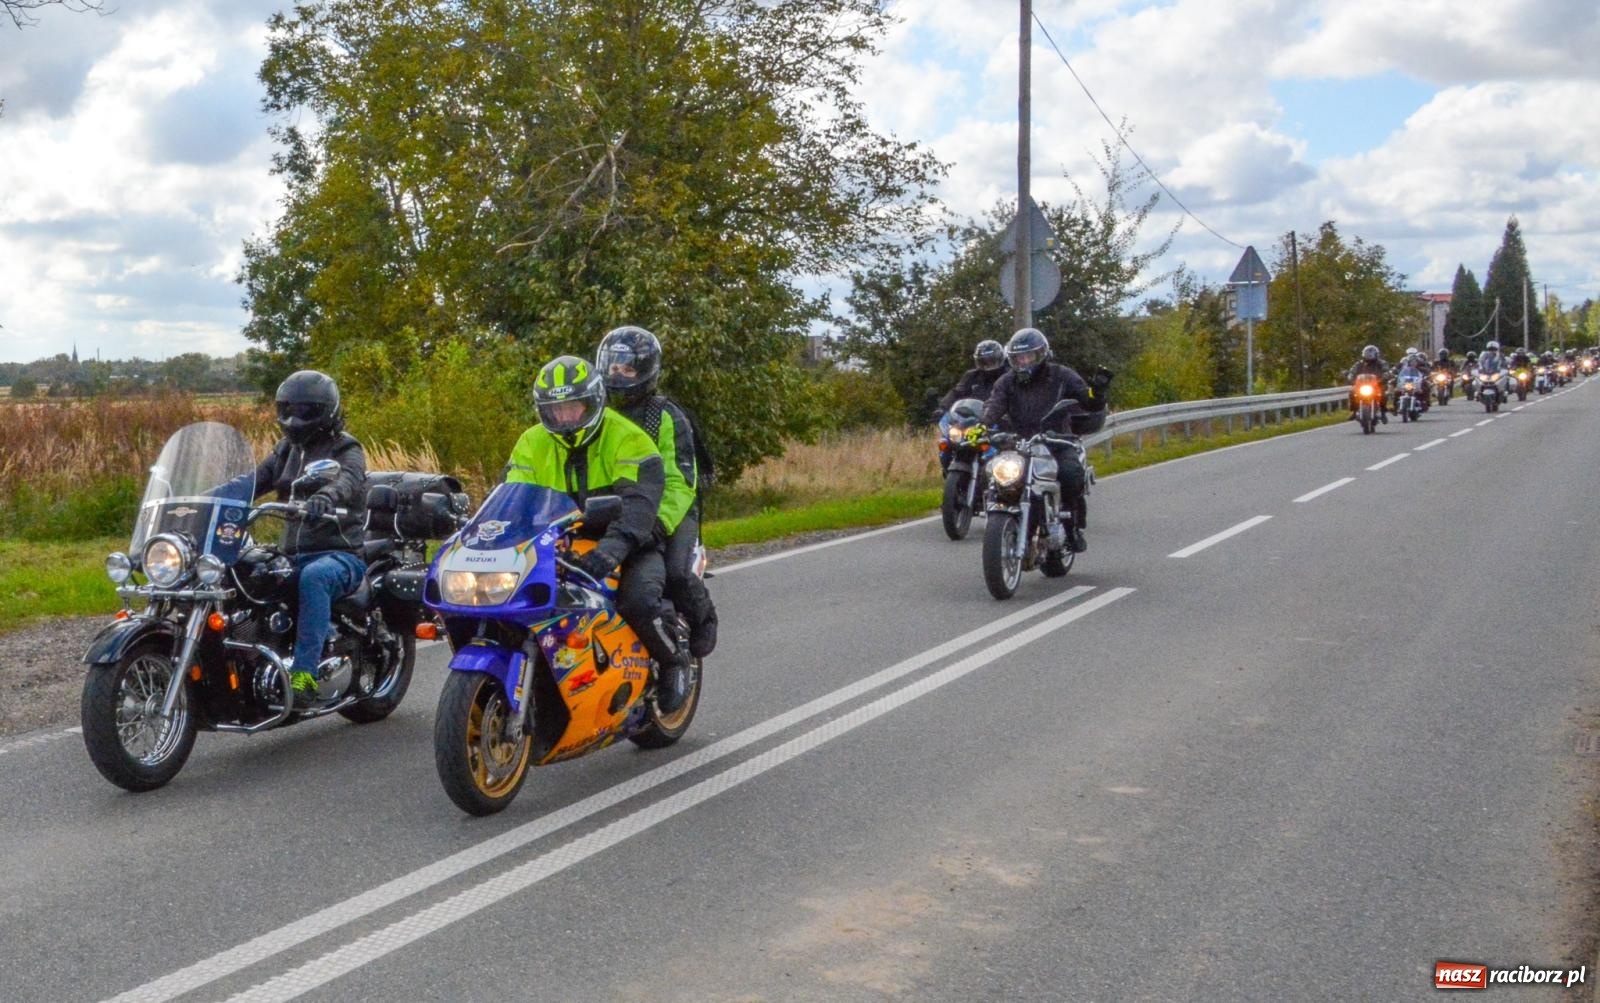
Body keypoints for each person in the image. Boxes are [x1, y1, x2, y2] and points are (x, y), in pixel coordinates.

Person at [506, 355, 691, 712]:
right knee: (520, 602)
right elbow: (512, 498)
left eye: (572, 408)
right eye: (555, 410)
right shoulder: (530, 442)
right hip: (560, 542)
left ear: (593, 402)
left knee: (638, 599)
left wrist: (611, 550)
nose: (564, 418)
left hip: (628, 539)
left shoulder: (628, 438)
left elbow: (639, 506)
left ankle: (673, 661)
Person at [227, 371, 369, 706]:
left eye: (305, 411)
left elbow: (349, 479)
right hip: (292, 555)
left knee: (315, 577)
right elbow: (252, 482)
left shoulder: (346, 447)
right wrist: (204, 499)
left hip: (340, 555)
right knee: (245, 571)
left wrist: (327, 496)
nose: (294, 418)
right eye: (288, 410)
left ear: (326, 411)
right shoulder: (285, 450)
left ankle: (303, 677)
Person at [595, 325, 718, 659]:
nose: (617, 375)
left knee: (675, 573)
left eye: (627, 368)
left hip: (670, 511)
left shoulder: (665, 416)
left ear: (646, 371)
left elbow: (681, 482)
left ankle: (703, 617)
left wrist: (658, 523)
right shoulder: (596, 415)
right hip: (621, 510)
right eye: (613, 367)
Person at [981, 328, 1110, 554]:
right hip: (1019, 443)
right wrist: (983, 425)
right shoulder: (1006, 381)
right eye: (1018, 358)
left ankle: (1071, 527)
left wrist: (1097, 392)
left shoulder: (1061, 375)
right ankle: (1002, 516)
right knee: (997, 475)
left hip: (1057, 440)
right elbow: (994, 404)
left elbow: (1087, 400)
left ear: (1040, 355)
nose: (1023, 362)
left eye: (1028, 356)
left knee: (1070, 474)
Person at [934, 340, 1007, 471]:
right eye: (984, 362)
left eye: (992, 361)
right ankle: (949, 468)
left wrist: (1009, 414)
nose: (988, 365)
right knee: (947, 441)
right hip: (972, 421)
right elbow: (956, 392)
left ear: (1000, 359)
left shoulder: (1006, 376)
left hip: (997, 422)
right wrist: (943, 407)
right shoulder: (971, 376)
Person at [1346, 345, 1389, 423]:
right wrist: (1350, 377)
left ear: (1376, 354)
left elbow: (1386, 371)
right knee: (1352, 393)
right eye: (1367, 354)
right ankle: (1354, 412)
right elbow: (1352, 372)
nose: (1369, 357)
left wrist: (1384, 378)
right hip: (1362, 385)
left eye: (1371, 354)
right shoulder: (1359, 364)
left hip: (1377, 384)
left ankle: (1383, 413)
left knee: (1383, 394)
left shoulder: (1381, 363)